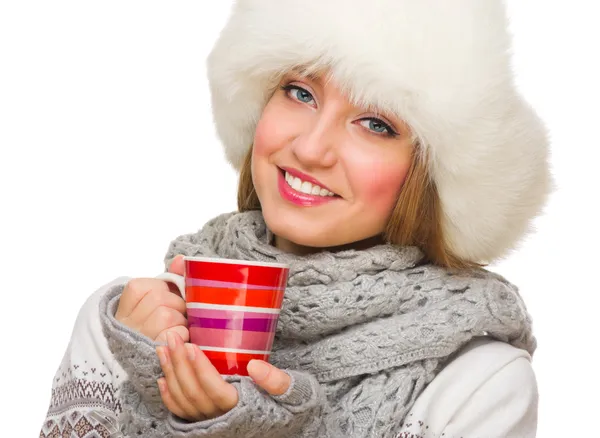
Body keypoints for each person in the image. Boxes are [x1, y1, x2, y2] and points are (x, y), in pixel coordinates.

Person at [40, 0, 553, 437]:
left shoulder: (478, 382)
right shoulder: (127, 326)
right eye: (299, 92)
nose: (310, 148)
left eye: (375, 124)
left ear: (432, 175)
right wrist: (134, 372)